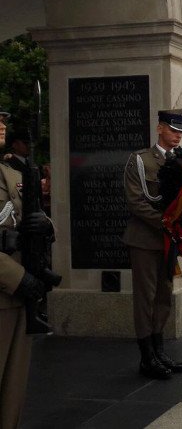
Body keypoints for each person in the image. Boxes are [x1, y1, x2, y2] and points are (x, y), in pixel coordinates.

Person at [122, 109, 182, 380]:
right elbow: (136, 201)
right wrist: (165, 222)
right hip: (146, 239)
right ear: (160, 128)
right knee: (146, 297)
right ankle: (146, 355)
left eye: (180, 132)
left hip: (169, 240)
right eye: (173, 131)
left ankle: (159, 350)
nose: (177, 136)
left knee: (163, 294)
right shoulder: (140, 160)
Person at [1, 107, 54, 428]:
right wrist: (19, 278)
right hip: (13, 284)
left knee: (11, 397)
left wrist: (46, 227)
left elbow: (30, 216)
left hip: (19, 297)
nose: (3, 123)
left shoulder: (11, 173)